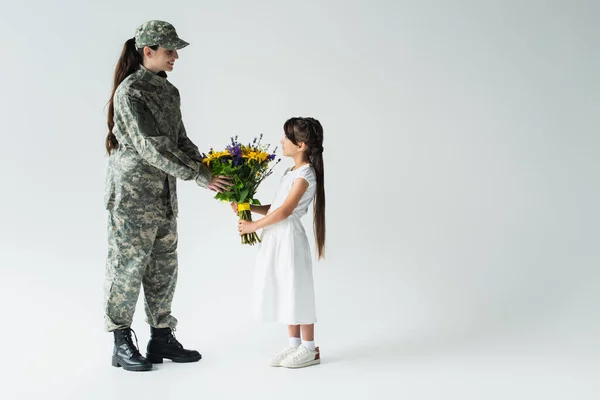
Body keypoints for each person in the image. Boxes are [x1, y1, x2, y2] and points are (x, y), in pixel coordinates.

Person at [103, 20, 230, 372]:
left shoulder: (168, 91)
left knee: (163, 268)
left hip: (163, 193)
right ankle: (121, 341)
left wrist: (213, 167)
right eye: (170, 49)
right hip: (132, 196)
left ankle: (161, 337)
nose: (175, 56)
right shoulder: (130, 92)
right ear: (149, 51)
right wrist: (200, 176)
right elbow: (152, 146)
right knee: (127, 268)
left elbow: (179, 140)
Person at [234, 117, 326, 368]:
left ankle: (309, 348)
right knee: (286, 287)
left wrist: (253, 226)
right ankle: (294, 344)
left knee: (298, 288)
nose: (282, 141)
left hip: (290, 238)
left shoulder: (306, 174)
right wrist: (248, 207)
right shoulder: (291, 172)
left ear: (302, 145)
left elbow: (285, 211)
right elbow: (276, 207)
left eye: (287, 137)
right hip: (277, 237)